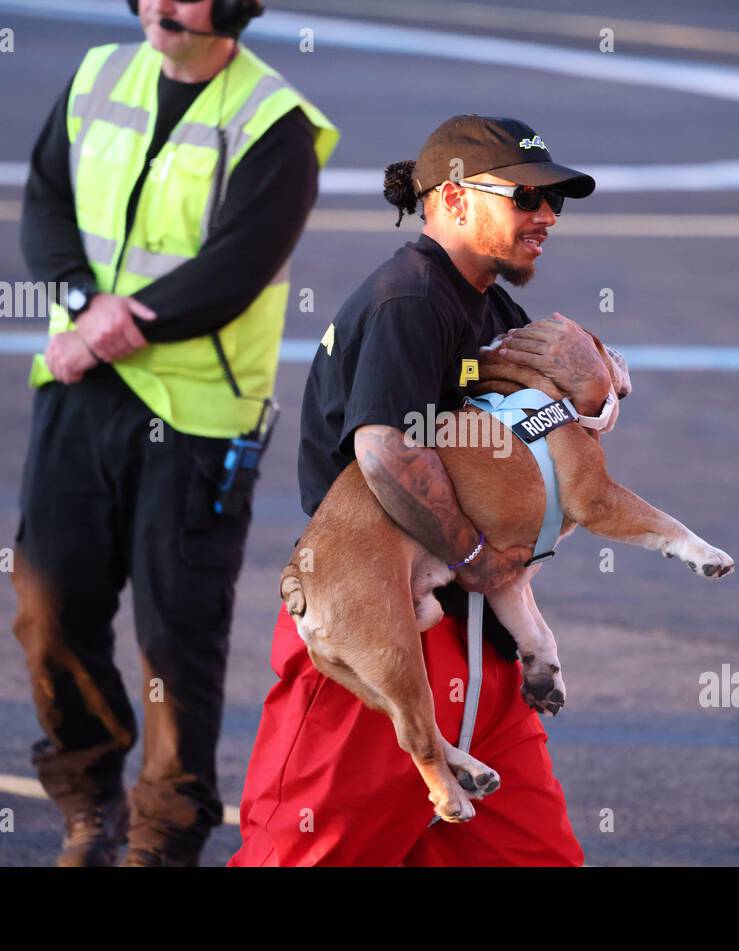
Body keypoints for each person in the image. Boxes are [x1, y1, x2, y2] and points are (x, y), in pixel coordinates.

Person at [229, 115, 615, 866]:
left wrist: (597, 392)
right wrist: (477, 555)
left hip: (485, 659)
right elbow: (384, 454)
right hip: (386, 643)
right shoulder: (406, 301)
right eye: (527, 197)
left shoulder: (494, 308)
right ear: (457, 197)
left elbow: (545, 455)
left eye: (555, 202)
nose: (545, 216)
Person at [9, 0, 338, 867]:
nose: (160, 4)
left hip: (196, 415)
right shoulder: (98, 75)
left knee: (176, 635)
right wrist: (84, 307)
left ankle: (164, 830)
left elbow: (238, 266)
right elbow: (46, 203)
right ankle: (88, 800)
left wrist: (116, 325)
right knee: (50, 609)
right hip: (82, 390)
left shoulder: (276, 124)